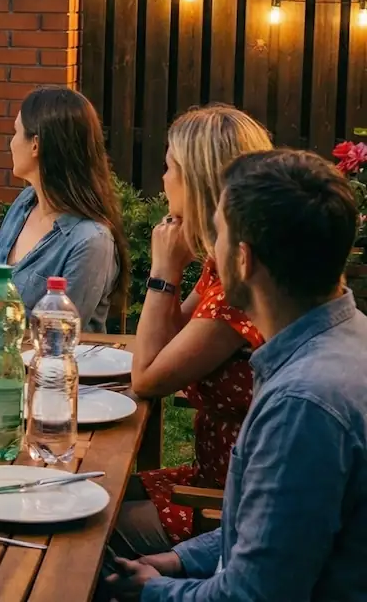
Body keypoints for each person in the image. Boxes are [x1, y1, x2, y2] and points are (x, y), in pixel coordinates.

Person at [105, 149, 367, 602]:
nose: (210, 246)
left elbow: (253, 595)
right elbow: (267, 532)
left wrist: (154, 592)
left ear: (243, 260)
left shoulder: (303, 406)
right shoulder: (342, 336)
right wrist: (180, 561)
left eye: (218, 234)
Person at [128, 105, 273, 544]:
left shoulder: (241, 287)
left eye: (169, 167)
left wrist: (164, 272)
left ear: (198, 180)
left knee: (81, 534)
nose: (162, 179)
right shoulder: (224, 264)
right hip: (209, 482)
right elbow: (171, 339)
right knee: (80, 492)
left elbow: (148, 377)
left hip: (228, 511)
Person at [0, 87, 127, 332]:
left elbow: (56, 338)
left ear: (36, 145)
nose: (11, 143)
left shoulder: (90, 241)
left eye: (16, 132)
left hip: (54, 368)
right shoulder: (25, 203)